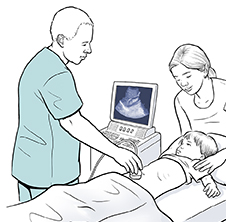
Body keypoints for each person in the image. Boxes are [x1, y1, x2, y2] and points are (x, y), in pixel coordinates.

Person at [12, 6, 142, 203]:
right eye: (84, 44)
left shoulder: (39, 61)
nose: (88, 50)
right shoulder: (57, 74)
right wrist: (117, 153)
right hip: (52, 176)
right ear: (62, 40)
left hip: (28, 167)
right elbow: (73, 122)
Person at [168, 43, 226, 176]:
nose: (183, 83)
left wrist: (218, 159)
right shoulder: (180, 100)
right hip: (203, 151)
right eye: (177, 79)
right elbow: (187, 137)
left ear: (204, 70)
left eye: (188, 76)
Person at [131, 131, 220, 199]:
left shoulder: (193, 163)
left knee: (143, 190)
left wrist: (210, 185)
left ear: (201, 156)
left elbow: (205, 176)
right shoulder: (171, 154)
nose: (181, 146)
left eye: (188, 144)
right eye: (182, 143)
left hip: (158, 180)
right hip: (148, 172)